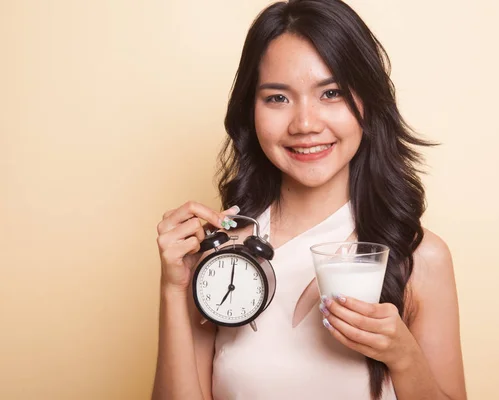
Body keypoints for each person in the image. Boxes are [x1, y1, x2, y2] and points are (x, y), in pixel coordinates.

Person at [152, 0, 466, 399]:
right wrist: (174, 288)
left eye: (331, 93)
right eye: (277, 98)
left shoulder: (419, 259)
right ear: (250, 112)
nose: (304, 124)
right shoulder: (221, 251)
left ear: (369, 105)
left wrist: (404, 357)